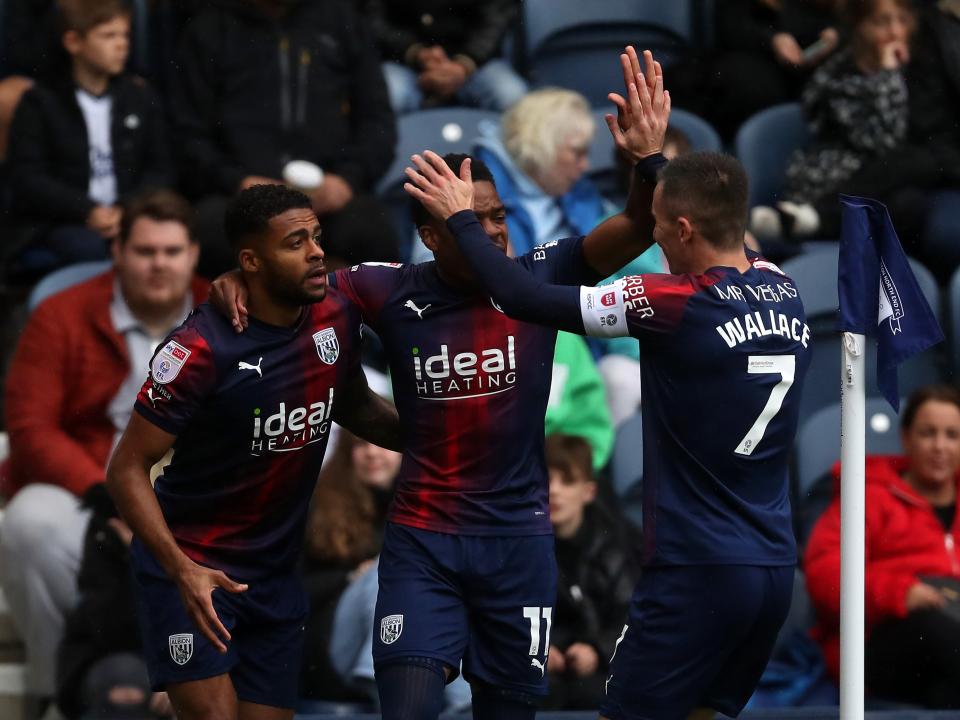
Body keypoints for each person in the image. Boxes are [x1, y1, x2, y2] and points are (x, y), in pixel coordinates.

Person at [211, 63, 671, 710]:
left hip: (519, 546)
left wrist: (646, 158)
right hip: (423, 545)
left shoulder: (539, 275)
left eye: (497, 216)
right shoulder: (387, 291)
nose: (493, 233)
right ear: (430, 236)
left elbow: (642, 226)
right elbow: (292, 285)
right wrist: (238, 279)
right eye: (469, 221)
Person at [404, 44, 813, 720]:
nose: (651, 243)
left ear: (682, 229)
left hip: (693, 572)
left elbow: (518, 295)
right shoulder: (785, 287)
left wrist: (459, 220)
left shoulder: (671, 302)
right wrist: (651, 160)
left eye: (658, 230)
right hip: (770, 570)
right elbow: (703, 208)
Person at [105, 184, 401, 719]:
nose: (315, 251)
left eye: (316, 236)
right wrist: (180, 569)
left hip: (276, 574)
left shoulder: (334, 313)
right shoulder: (197, 350)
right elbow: (126, 469)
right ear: (251, 262)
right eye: (295, 242)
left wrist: (448, 437)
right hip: (196, 568)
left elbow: (354, 405)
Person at [0, 189, 205, 716]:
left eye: (171, 251)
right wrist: (112, 500)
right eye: (144, 251)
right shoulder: (61, 314)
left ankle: (202, 686)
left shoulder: (224, 313)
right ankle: (59, 689)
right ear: (117, 252)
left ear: (194, 255)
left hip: (196, 500)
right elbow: (29, 426)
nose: (159, 264)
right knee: (29, 522)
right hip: (93, 491)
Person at [171, 0, 400, 278]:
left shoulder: (342, 21)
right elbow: (187, 134)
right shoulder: (208, 27)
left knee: (371, 231)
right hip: (239, 195)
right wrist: (236, 181)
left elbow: (377, 122)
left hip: (327, 196)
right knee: (208, 232)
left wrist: (347, 181)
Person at [804, 384, 960, 709]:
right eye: (928, 433)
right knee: (929, 627)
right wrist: (899, 593)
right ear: (906, 439)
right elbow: (825, 574)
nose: (939, 447)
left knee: (944, 695)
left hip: (946, 651)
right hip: (879, 639)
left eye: (952, 435)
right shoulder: (868, 496)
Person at [6, 0, 173, 270]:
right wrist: (86, 210)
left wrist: (126, 208)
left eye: (125, 35)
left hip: (129, 214)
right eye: (108, 36)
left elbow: (161, 168)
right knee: (89, 248)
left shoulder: (139, 96)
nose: (122, 45)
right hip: (66, 220)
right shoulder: (40, 102)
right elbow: (29, 177)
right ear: (74, 42)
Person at [749, 0, 917, 242]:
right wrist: (888, 77)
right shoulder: (840, 72)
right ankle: (804, 222)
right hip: (837, 171)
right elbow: (882, 143)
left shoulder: (919, 68)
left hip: (880, 178)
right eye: (881, 22)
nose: (894, 31)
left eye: (902, 20)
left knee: (910, 204)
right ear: (859, 26)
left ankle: (810, 222)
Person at [543, 434, 639, 711]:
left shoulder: (618, 545)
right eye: (547, 481)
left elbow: (630, 616)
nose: (555, 491)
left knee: (593, 694)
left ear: (589, 492)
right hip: (542, 666)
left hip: (603, 668)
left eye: (567, 481)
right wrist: (539, 649)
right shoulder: (521, 549)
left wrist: (597, 651)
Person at [366, 0, 527, 114]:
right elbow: (374, 18)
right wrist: (416, 52)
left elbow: (496, 18)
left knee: (513, 96)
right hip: (404, 60)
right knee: (386, 97)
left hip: (477, 62)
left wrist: (464, 63)